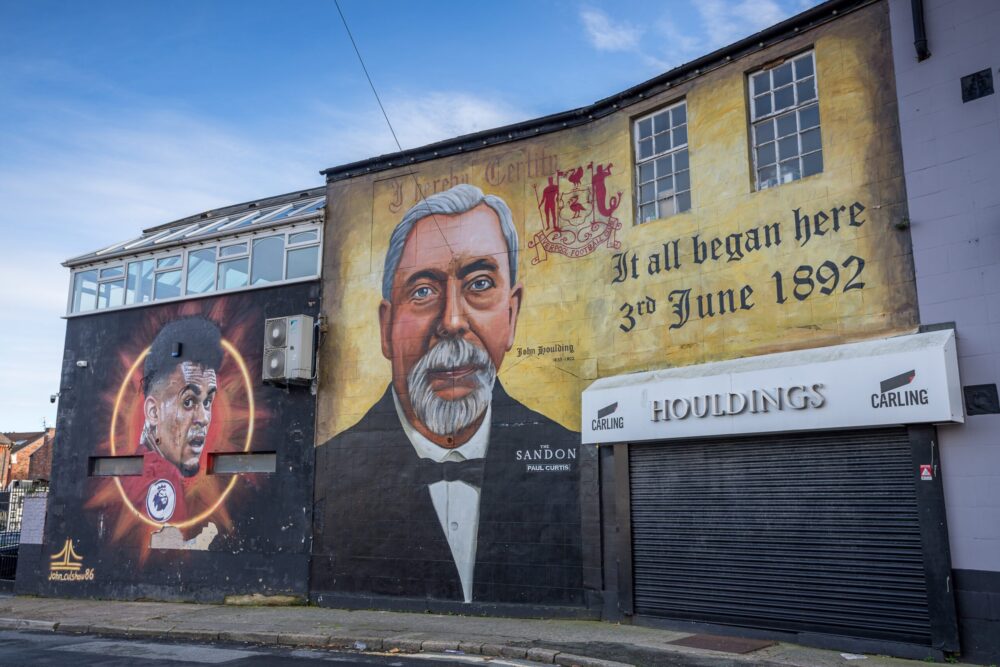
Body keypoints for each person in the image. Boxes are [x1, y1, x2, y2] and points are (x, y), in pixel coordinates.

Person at [313, 184, 582, 606]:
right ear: (386, 328)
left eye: (479, 283)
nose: (453, 321)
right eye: (422, 290)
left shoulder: (577, 459)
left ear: (511, 315)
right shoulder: (324, 474)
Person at [130, 317, 222, 524]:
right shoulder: (163, 478)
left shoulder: (138, 469)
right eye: (188, 402)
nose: (204, 418)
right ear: (154, 412)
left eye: (208, 401)